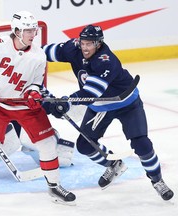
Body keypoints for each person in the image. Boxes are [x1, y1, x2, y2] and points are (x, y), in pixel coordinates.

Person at [43, 24, 174, 201]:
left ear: (98, 44)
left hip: (127, 103)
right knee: (85, 145)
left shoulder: (106, 60)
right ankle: (114, 165)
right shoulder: (73, 47)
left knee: (141, 144)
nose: (85, 47)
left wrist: (66, 102)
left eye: (90, 44)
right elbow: (41, 53)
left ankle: (157, 180)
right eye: (83, 43)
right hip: (101, 106)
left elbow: (91, 92)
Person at [0, 11, 76, 206]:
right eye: (27, 30)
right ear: (16, 31)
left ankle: (54, 186)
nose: (32, 34)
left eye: (34, 30)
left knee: (48, 143)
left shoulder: (38, 55)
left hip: (25, 107)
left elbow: (35, 81)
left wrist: (33, 93)